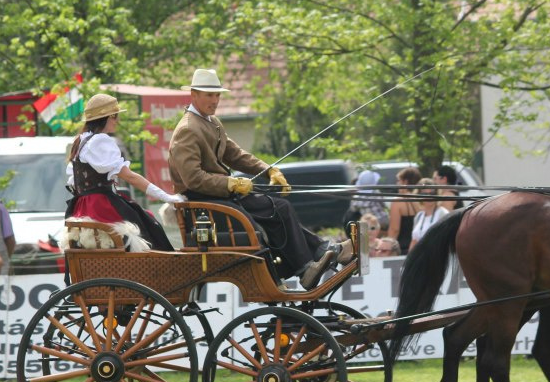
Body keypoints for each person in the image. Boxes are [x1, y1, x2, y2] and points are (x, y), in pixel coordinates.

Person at [168, 68, 351, 290]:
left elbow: (235, 154)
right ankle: (301, 268)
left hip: (221, 196)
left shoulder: (212, 122)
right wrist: (230, 183)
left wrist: (268, 170)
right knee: (254, 225)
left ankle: (317, 253)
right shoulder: (187, 129)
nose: (215, 100)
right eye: (209, 95)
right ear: (194, 94)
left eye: (217, 95)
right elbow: (192, 178)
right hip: (203, 203)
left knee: (279, 207)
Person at [66, 93, 180, 251]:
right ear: (107, 117)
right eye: (115, 116)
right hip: (100, 207)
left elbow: (74, 182)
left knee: (144, 216)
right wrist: (167, 197)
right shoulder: (101, 141)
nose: (117, 120)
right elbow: (130, 177)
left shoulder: (81, 140)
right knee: (150, 225)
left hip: (82, 207)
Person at [386, 166, 421, 255]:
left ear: (405, 182)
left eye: (398, 180)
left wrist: (387, 248)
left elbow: (394, 229)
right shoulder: (421, 200)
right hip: (419, 246)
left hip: (402, 248)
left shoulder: (398, 201)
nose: (397, 184)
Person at [408, 178, 449, 251]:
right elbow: (414, 241)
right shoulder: (419, 216)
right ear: (419, 195)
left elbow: (446, 240)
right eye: (425, 194)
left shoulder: (443, 213)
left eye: (432, 193)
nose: (429, 196)